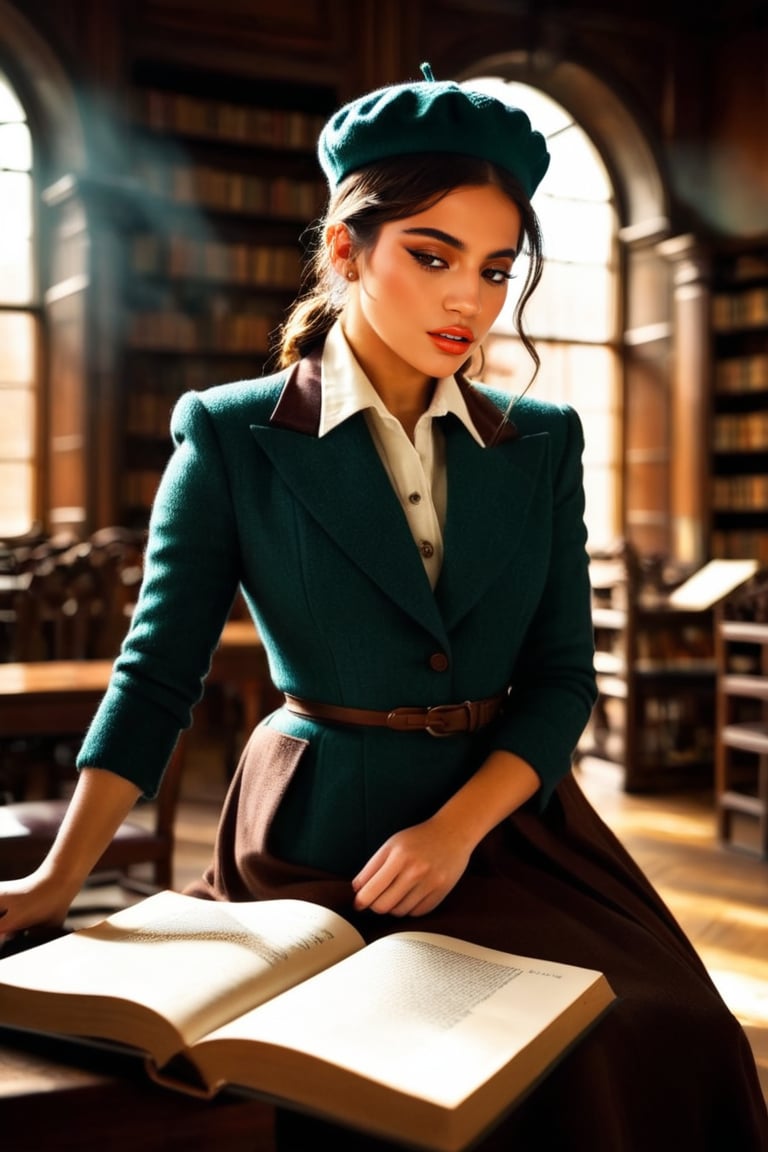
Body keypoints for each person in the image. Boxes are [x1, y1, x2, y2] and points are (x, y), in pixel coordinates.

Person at [1, 64, 767, 1151]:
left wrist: (454, 831)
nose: (471, 300)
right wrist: (56, 877)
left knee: (664, 1031)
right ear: (347, 249)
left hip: (508, 824)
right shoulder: (230, 434)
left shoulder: (543, 440)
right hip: (316, 829)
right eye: (433, 255)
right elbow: (156, 670)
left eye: (497, 269)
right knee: (363, 1089)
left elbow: (559, 679)